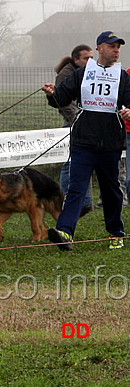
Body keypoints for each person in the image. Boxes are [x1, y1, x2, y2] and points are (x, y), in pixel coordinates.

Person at [43, 31, 130, 251]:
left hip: (110, 144)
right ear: (99, 48)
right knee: (76, 188)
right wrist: (52, 93)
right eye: (112, 46)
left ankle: (116, 233)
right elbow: (61, 98)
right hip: (83, 142)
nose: (116, 50)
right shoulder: (83, 73)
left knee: (111, 190)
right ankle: (64, 232)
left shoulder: (123, 77)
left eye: (118, 46)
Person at [53, 44, 94, 216]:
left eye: (92, 58)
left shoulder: (89, 73)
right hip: (73, 124)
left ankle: (85, 202)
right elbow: (62, 102)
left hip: (88, 124)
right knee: (69, 162)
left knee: (85, 162)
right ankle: (67, 198)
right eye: (86, 58)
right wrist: (78, 118)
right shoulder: (66, 74)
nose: (90, 61)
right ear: (76, 59)